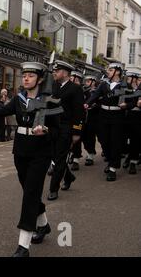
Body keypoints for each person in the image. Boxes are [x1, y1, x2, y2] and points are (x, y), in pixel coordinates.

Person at [0, 62, 59, 257]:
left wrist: (46, 129)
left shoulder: (51, 101)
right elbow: (4, 110)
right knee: (30, 190)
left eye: (31, 76)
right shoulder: (19, 99)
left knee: (30, 193)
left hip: (41, 153)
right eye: (25, 75)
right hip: (21, 151)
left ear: (40, 79)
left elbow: (59, 129)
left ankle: (23, 245)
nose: (26, 78)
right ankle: (44, 225)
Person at [48, 61, 84, 201]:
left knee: (60, 158)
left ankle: (53, 189)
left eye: (57, 71)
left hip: (66, 128)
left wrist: (77, 132)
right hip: (52, 127)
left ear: (65, 73)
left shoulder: (75, 89)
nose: (55, 73)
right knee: (54, 157)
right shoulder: (53, 85)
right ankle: (68, 177)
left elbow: (79, 112)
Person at [85, 63, 127, 181]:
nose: (108, 71)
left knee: (115, 141)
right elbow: (96, 95)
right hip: (103, 115)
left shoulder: (124, 85)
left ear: (117, 72)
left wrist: (127, 105)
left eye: (111, 70)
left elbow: (133, 100)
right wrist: (87, 103)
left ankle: (113, 167)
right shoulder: (104, 84)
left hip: (117, 116)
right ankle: (110, 160)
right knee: (104, 140)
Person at [121, 71, 141, 174]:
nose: (128, 79)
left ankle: (133, 162)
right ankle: (129, 157)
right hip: (127, 116)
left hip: (138, 117)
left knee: (135, 140)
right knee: (124, 139)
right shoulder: (126, 89)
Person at [69, 71, 84, 171]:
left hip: (77, 119)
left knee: (76, 140)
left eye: (77, 80)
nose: (74, 82)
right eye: (72, 79)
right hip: (65, 119)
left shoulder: (80, 91)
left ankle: (76, 159)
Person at [82, 75, 99, 166]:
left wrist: (95, 106)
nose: (86, 83)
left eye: (88, 81)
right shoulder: (83, 90)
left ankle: (90, 155)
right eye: (86, 81)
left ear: (93, 82)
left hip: (94, 117)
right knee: (84, 136)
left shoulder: (98, 91)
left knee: (90, 136)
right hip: (84, 117)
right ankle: (88, 151)